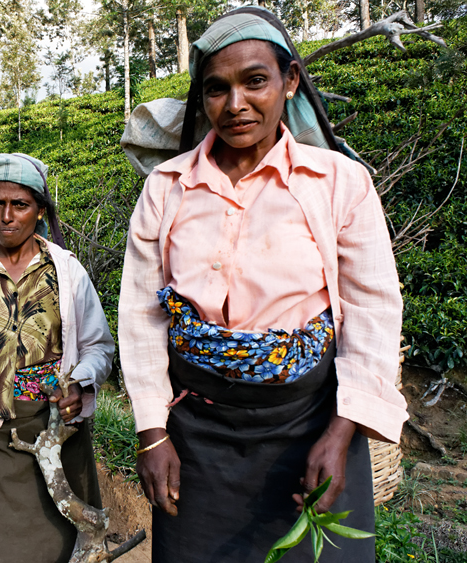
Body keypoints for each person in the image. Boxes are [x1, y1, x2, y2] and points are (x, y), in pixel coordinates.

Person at [118, 8, 408, 562]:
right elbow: (141, 314)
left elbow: (372, 308)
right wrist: (152, 433)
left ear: (290, 80)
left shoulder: (338, 184)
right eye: (216, 88)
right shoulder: (166, 188)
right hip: (196, 435)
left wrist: (341, 432)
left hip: (309, 428)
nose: (235, 105)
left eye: (255, 81)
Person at [0, 153, 115, 563]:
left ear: (40, 211)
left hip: (56, 437)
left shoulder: (67, 272)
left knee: (57, 546)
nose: (6, 217)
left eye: (20, 205)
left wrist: (80, 382)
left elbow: (101, 346)